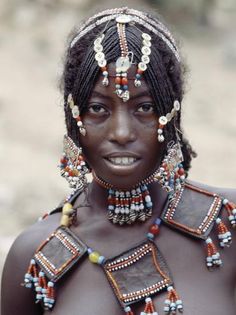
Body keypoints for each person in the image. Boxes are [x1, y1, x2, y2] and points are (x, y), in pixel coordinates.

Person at [1, 7, 236, 315]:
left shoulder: (225, 227)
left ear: (172, 115)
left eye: (146, 107)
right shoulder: (34, 256)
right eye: (99, 109)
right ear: (74, 118)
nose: (122, 133)